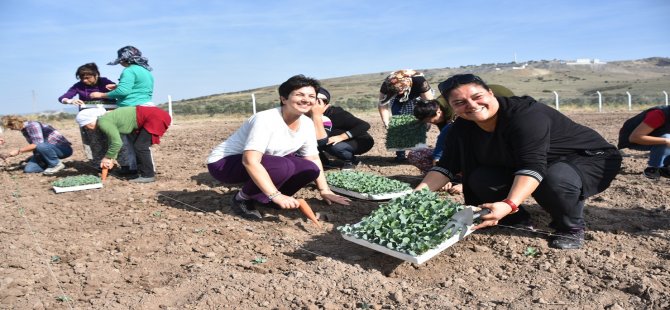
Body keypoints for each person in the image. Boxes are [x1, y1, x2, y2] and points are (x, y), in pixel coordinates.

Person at [415, 74, 622, 249]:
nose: (472, 105)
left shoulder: (526, 116)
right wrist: (417, 195)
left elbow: (532, 165)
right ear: (451, 107)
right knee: (479, 177)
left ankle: (570, 226)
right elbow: (446, 166)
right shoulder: (461, 128)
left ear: (490, 93)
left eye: (477, 97)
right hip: (537, 161)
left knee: (553, 179)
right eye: (459, 103)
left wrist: (509, 203)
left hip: (586, 157)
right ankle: (517, 220)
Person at [207, 75, 351, 220]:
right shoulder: (266, 119)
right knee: (284, 165)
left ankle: (267, 199)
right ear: (284, 99)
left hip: (267, 161)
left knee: (310, 169)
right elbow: (250, 161)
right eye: (299, 94)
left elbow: (313, 158)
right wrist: (276, 195)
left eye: (311, 96)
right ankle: (242, 198)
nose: (306, 99)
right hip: (225, 164)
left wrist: (325, 190)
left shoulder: (307, 124)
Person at [90, 46, 156, 174]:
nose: (120, 63)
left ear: (126, 59)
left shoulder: (129, 71)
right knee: (140, 144)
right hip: (146, 108)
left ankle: (134, 169)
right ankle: (146, 169)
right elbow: (139, 87)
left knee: (129, 143)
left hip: (131, 108)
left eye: (121, 60)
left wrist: (101, 95)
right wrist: (118, 85)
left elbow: (124, 91)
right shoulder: (145, 71)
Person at [57, 63, 128, 170]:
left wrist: (113, 88)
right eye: (82, 78)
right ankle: (99, 164)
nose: (84, 80)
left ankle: (124, 165)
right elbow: (63, 97)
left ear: (96, 75)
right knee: (95, 140)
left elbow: (119, 90)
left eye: (87, 78)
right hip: (90, 118)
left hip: (108, 114)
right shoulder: (78, 86)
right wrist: (70, 100)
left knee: (115, 139)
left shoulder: (104, 82)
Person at [75, 105, 171, 183]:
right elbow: (112, 141)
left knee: (140, 146)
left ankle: (148, 175)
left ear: (90, 119)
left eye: (86, 125)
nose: (87, 128)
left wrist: (107, 157)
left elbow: (117, 142)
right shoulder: (106, 119)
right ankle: (142, 172)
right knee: (137, 146)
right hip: (155, 115)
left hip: (155, 117)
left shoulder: (103, 122)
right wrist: (111, 158)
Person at [307, 87, 374, 170]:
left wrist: (341, 137)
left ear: (326, 104)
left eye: (318, 101)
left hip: (361, 140)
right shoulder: (307, 115)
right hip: (340, 140)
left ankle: (351, 161)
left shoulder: (337, 114)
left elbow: (364, 125)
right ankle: (323, 162)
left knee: (330, 144)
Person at [378, 69, 434, 162]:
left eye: (401, 91)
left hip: (418, 97)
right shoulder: (386, 85)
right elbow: (382, 104)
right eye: (397, 92)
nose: (400, 93)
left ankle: (418, 152)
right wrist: (386, 122)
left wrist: (427, 120)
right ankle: (400, 154)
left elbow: (429, 103)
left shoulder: (420, 82)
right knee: (398, 121)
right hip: (396, 99)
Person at [0, 115, 73, 174]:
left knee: (40, 145)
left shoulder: (33, 125)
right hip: (48, 148)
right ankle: (49, 162)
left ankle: (56, 164)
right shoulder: (24, 130)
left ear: (14, 124)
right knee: (29, 169)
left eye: (10, 127)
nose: (11, 129)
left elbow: (37, 144)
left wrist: (18, 151)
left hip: (63, 149)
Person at [617, 105, 670, 179]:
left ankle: (665, 167)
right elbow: (634, 138)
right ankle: (653, 169)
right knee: (667, 138)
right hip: (633, 141)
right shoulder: (658, 115)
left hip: (655, 135)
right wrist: (666, 141)